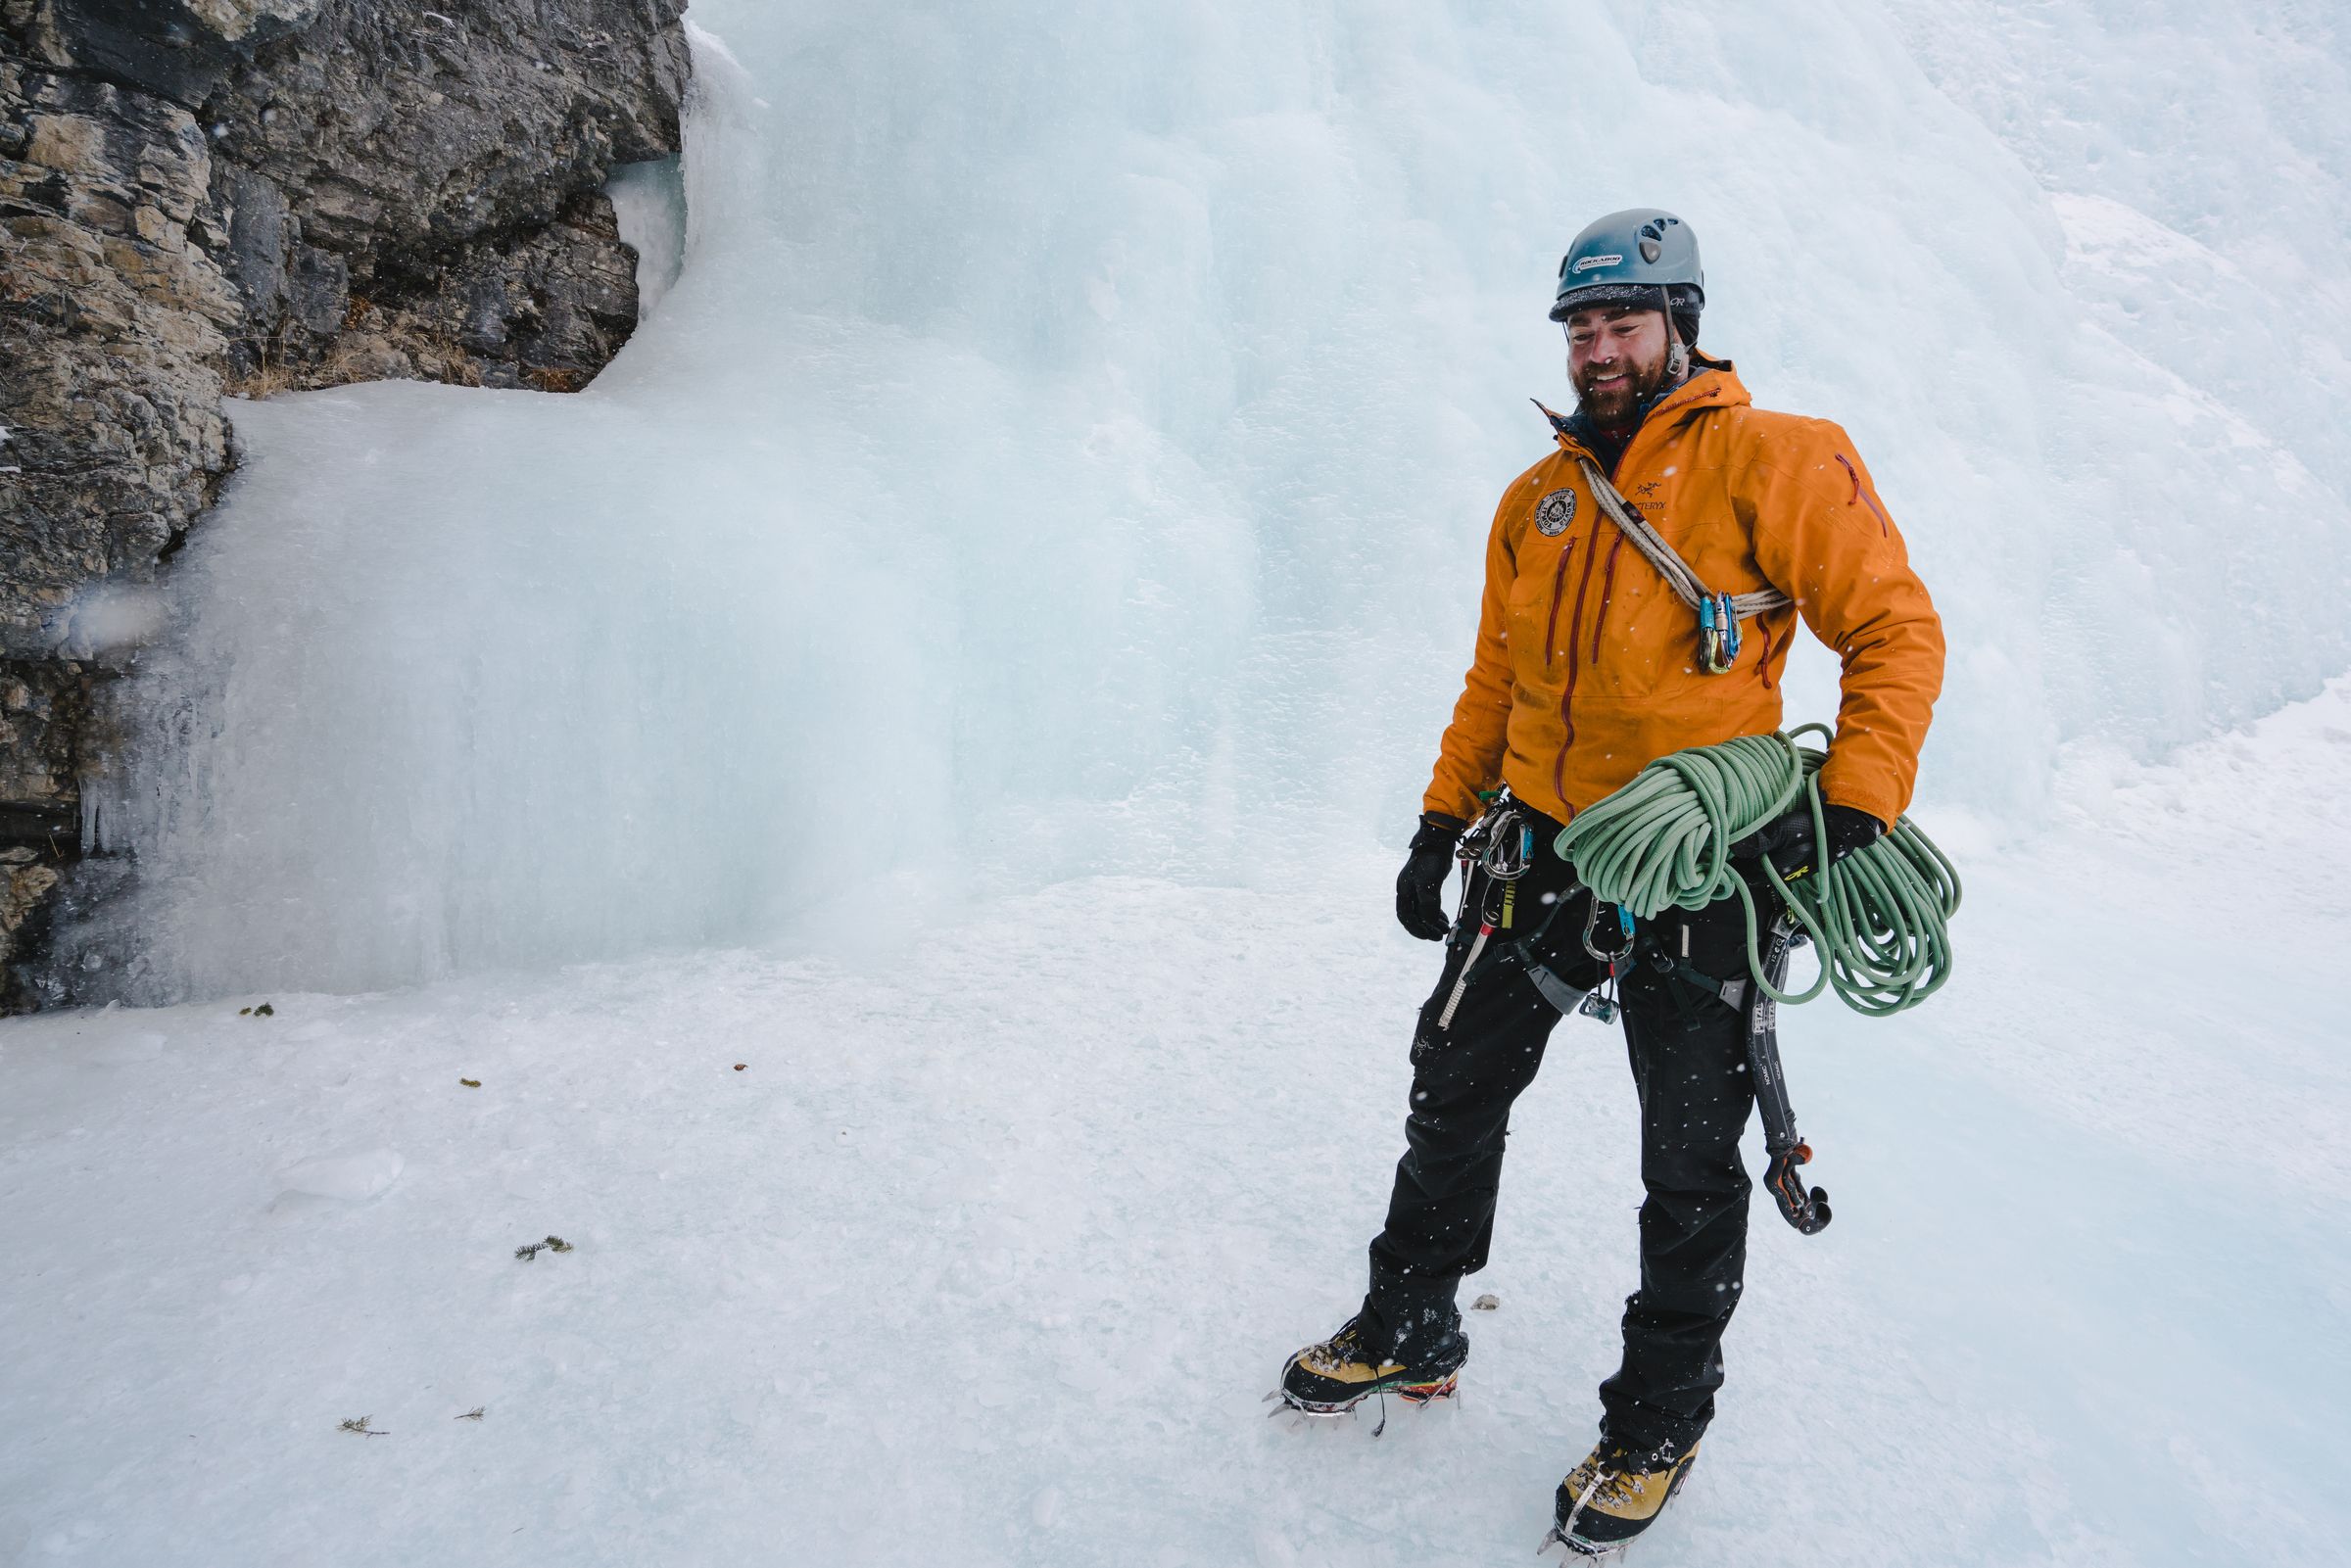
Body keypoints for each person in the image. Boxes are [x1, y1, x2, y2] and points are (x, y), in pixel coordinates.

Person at [1273, 210, 1944, 1557]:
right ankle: (1411, 1320)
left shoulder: (1775, 456)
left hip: (1700, 867)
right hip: (1540, 847)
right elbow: (1498, 680)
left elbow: (1892, 628)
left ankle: (1657, 1419)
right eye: (1580, 326)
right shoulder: (1541, 499)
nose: (1597, 346)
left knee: (1687, 1155)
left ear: (1680, 322)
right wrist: (1439, 815)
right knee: (1451, 1083)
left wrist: (1859, 803)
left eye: (1621, 321)